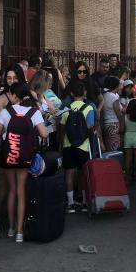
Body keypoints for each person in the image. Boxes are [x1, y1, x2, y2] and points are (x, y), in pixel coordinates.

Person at [0, 82, 47, 243]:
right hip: (25, 157)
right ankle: (20, 232)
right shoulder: (34, 112)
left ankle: (10, 227)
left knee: (12, 191)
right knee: (21, 192)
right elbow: (44, 133)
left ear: (15, 96)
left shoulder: (6, 112)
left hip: (9, 156)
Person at [0, 63, 25, 234]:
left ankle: (18, 219)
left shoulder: (26, 94)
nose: (11, 81)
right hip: (8, 145)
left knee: (20, 185)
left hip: (26, 144)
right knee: (7, 184)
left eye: (15, 78)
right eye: (8, 78)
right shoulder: (2, 99)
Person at [59, 81, 96, 213]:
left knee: (69, 173)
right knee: (83, 173)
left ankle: (70, 203)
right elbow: (90, 127)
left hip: (68, 146)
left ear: (71, 93)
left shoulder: (66, 108)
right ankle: (84, 201)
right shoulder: (89, 108)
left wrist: (61, 145)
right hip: (83, 146)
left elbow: (62, 129)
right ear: (84, 93)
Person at [101, 76, 122, 152]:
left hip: (106, 123)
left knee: (109, 146)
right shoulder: (114, 98)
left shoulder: (105, 95)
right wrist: (122, 125)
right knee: (115, 147)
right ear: (116, 85)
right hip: (114, 124)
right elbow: (119, 114)